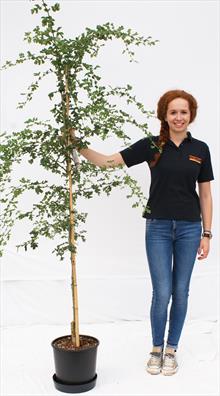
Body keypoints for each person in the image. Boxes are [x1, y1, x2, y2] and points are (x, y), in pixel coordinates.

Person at [74, 89, 214, 376]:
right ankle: (155, 349)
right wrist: (78, 145)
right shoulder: (152, 145)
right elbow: (108, 162)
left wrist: (207, 233)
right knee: (162, 292)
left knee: (181, 291)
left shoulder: (200, 149)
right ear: (164, 114)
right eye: (173, 112)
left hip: (190, 228)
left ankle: (172, 349)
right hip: (158, 228)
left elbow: (206, 195)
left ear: (191, 116)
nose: (178, 117)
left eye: (183, 112)